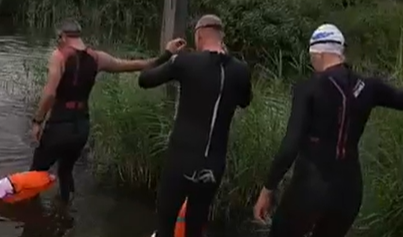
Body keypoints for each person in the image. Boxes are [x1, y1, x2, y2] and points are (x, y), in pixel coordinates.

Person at [252, 24, 403, 237]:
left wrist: (268, 189)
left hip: (310, 186)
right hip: (349, 191)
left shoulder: (309, 89)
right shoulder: (370, 86)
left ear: (319, 54)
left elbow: (291, 144)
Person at [29, 19, 185, 204]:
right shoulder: (97, 58)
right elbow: (134, 65)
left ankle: (32, 219)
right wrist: (167, 54)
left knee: (35, 174)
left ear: (62, 37)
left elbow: (49, 93)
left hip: (59, 125)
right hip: (81, 127)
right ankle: (65, 214)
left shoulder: (59, 56)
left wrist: (38, 121)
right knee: (65, 171)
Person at [137, 14, 253, 237]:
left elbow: (145, 79)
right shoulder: (241, 71)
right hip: (213, 165)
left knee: (165, 221)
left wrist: (168, 53)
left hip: (181, 159)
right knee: (196, 225)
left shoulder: (186, 62)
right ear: (222, 37)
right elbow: (245, 101)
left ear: (199, 36)